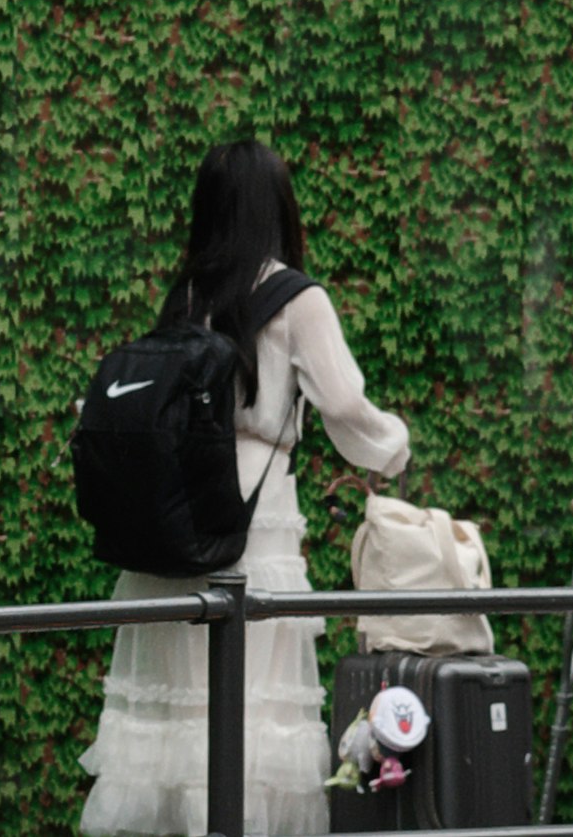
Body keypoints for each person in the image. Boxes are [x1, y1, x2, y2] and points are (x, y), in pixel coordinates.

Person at [80, 140, 414, 837]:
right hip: (252, 534)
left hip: (173, 531)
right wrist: (395, 448)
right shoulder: (297, 297)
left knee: (179, 717)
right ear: (279, 208)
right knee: (250, 716)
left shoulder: (187, 294)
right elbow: (346, 407)